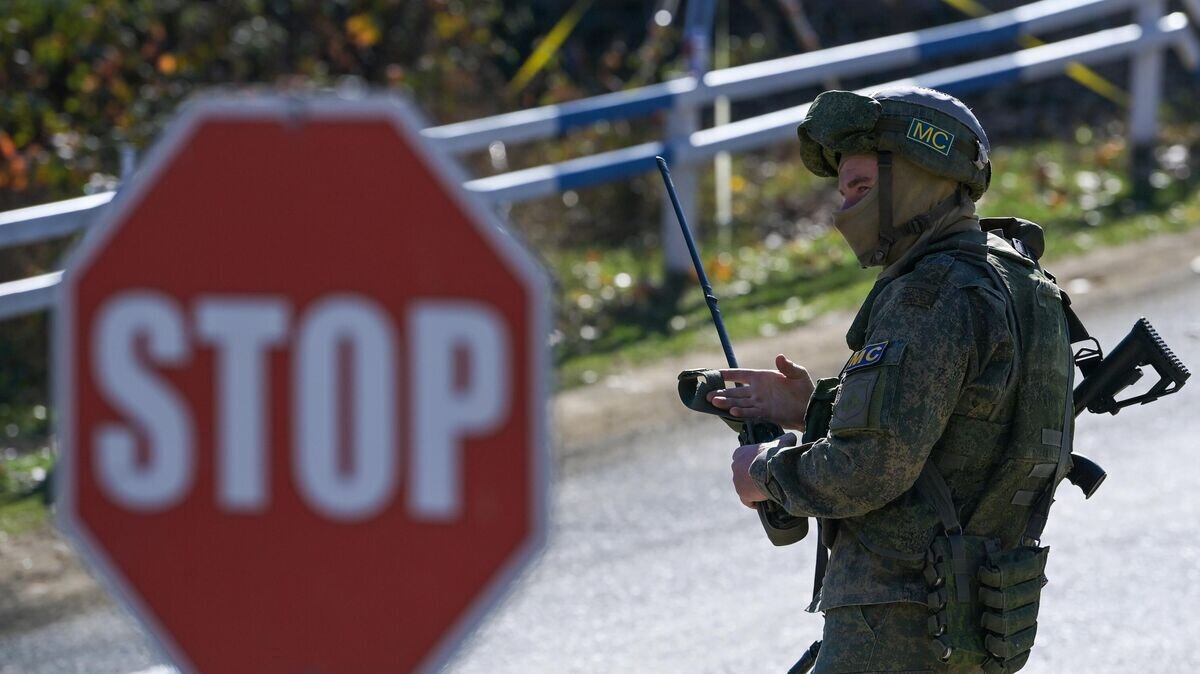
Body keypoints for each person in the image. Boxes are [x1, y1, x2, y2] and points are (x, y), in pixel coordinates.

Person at [708, 87, 1076, 673]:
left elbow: (868, 469)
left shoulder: (930, 296)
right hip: (976, 626)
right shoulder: (1020, 282)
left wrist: (763, 472)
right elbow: (968, 430)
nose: (844, 209)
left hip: (895, 625)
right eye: (843, 190)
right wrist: (814, 408)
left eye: (862, 188)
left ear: (918, 178)